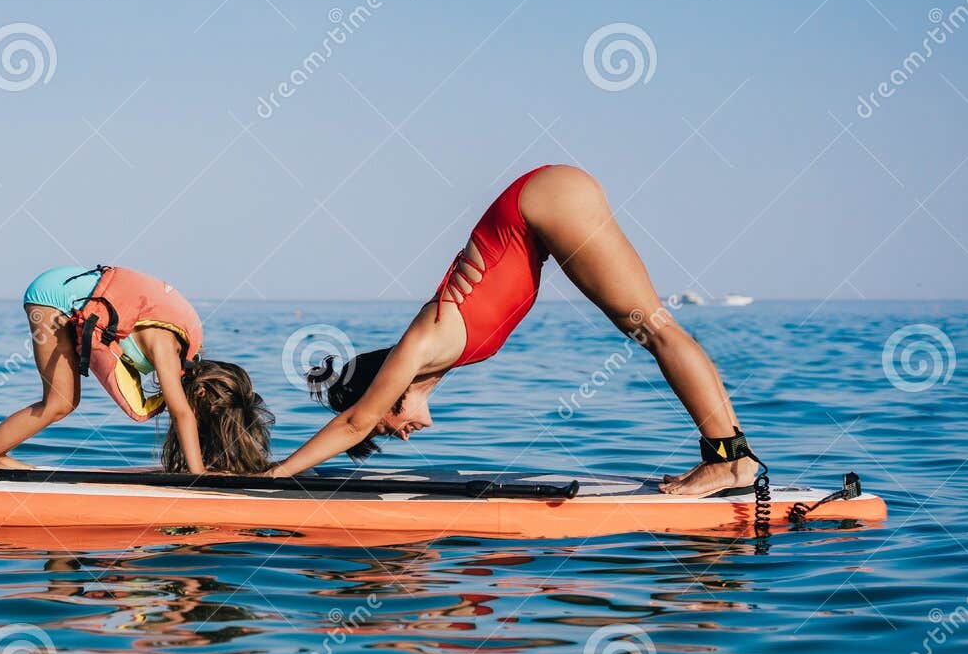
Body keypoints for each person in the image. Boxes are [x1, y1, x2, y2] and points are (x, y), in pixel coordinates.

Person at [272, 165, 760, 496]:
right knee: (656, 329)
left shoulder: (419, 345)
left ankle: (729, 460)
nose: (401, 434)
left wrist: (275, 476)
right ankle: (734, 455)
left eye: (387, 424)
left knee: (655, 331)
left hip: (546, 201)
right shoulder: (442, 355)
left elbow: (354, 421)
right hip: (547, 204)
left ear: (384, 394)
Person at [0, 264, 274, 475]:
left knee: (64, 402)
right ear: (202, 390)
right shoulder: (169, 350)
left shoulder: (186, 355)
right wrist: (198, 478)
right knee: (60, 402)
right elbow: (181, 412)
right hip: (54, 296)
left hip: (70, 289)